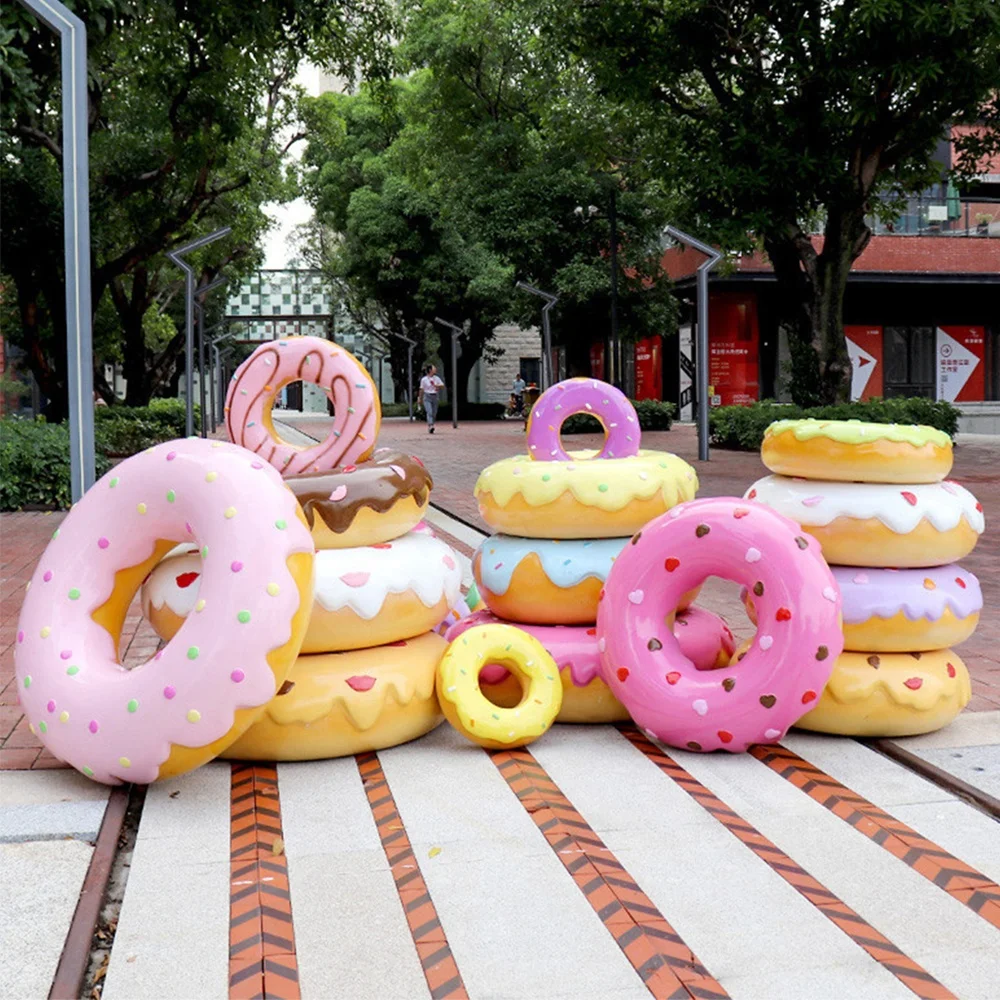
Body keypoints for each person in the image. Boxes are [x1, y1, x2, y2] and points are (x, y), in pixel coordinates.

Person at [418, 363, 445, 433]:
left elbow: (442, 386)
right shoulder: (424, 379)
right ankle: (430, 425)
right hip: (427, 396)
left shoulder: (437, 378)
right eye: (434, 368)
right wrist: (420, 398)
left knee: (434, 412)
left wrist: (437, 385)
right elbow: (421, 389)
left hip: (435, 396)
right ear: (430, 370)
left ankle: (432, 423)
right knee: (429, 411)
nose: (435, 369)